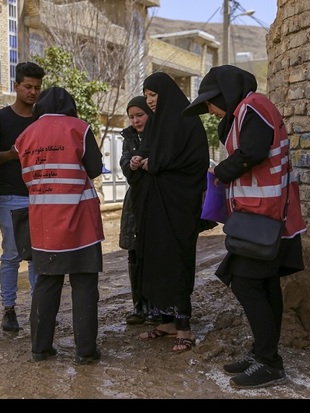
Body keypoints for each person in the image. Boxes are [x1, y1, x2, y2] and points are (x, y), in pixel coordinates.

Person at [183, 65, 306, 389]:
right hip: (266, 217)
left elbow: (253, 151)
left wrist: (221, 172)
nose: (210, 109)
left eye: (211, 102)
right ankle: (262, 353)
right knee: (264, 286)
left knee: (246, 284)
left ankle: (269, 362)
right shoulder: (244, 112)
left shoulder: (253, 106)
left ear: (225, 92)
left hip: (266, 218)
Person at [14, 87, 104, 365]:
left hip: (43, 224)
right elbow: (96, 168)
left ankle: (40, 349)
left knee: (46, 285)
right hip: (80, 222)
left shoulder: (24, 136)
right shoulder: (80, 128)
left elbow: (26, 178)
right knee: (84, 283)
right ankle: (85, 352)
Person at [131, 72, 210, 353]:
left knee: (176, 263)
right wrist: (139, 159)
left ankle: (184, 328)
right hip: (155, 209)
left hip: (178, 208)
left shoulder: (186, 121)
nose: (150, 101)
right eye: (148, 95)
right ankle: (165, 322)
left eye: (154, 95)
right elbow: (152, 154)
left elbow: (194, 163)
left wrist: (155, 164)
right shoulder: (156, 126)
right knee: (156, 261)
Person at [0, 62, 46, 332]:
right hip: (11, 196)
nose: (33, 92)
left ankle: (38, 308)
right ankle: (8, 310)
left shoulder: (43, 118)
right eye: (28, 87)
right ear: (16, 86)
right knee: (11, 255)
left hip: (42, 196)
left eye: (37, 88)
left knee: (37, 256)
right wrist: (11, 155)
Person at [118, 96, 157, 325]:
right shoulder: (129, 136)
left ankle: (156, 307)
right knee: (134, 253)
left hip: (156, 199)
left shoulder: (160, 133)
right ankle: (139, 306)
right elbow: (126, 168)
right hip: (135, 200)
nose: (135, 120)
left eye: (139, 115)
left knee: (153, 253)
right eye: (131, 117)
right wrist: (131, 164)